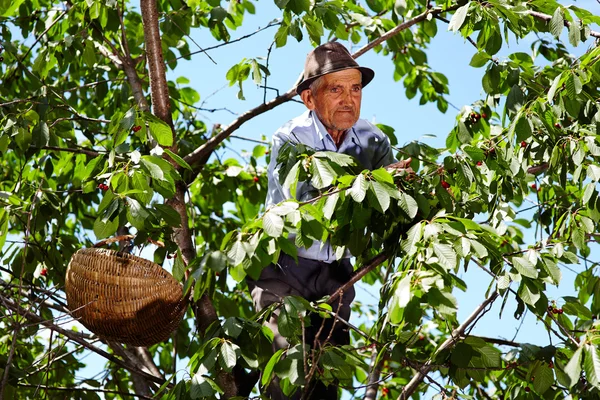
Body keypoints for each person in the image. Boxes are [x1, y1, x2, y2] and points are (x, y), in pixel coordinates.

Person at [247, 42, 398, 400]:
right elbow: (307, 210)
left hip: (336, 277)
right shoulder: (291, 138)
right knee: (288, 378)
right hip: (283, 267)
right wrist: (371, 184)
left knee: (327, 384)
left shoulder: (374, 140)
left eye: (355, 88)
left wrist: (403, 189)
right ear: (310, 99)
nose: (349, 99)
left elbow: (390, 207)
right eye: (336, 89)